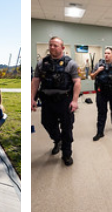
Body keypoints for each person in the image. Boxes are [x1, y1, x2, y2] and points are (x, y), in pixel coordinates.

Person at [31, 36, 80, 166]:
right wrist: (31, 98)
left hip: (65, 101)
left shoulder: (71, 64)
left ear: (62, 48)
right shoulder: (42, 64)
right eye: (50, 45)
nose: (52, 47)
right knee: (46, 123)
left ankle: (67, 154)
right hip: (47, 101)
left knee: (67, 128)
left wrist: (75, 101)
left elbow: (77, 82)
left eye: (55, 45)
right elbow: (36, 80)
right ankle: (58, 140)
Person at [90, 47, 112, 140]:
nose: (106, 55)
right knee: (101, 111)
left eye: (108, 53)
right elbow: (92, 77)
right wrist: (98, 71)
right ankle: (100, 132)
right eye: (105, 53)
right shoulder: (99, 64)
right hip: (102, 92)